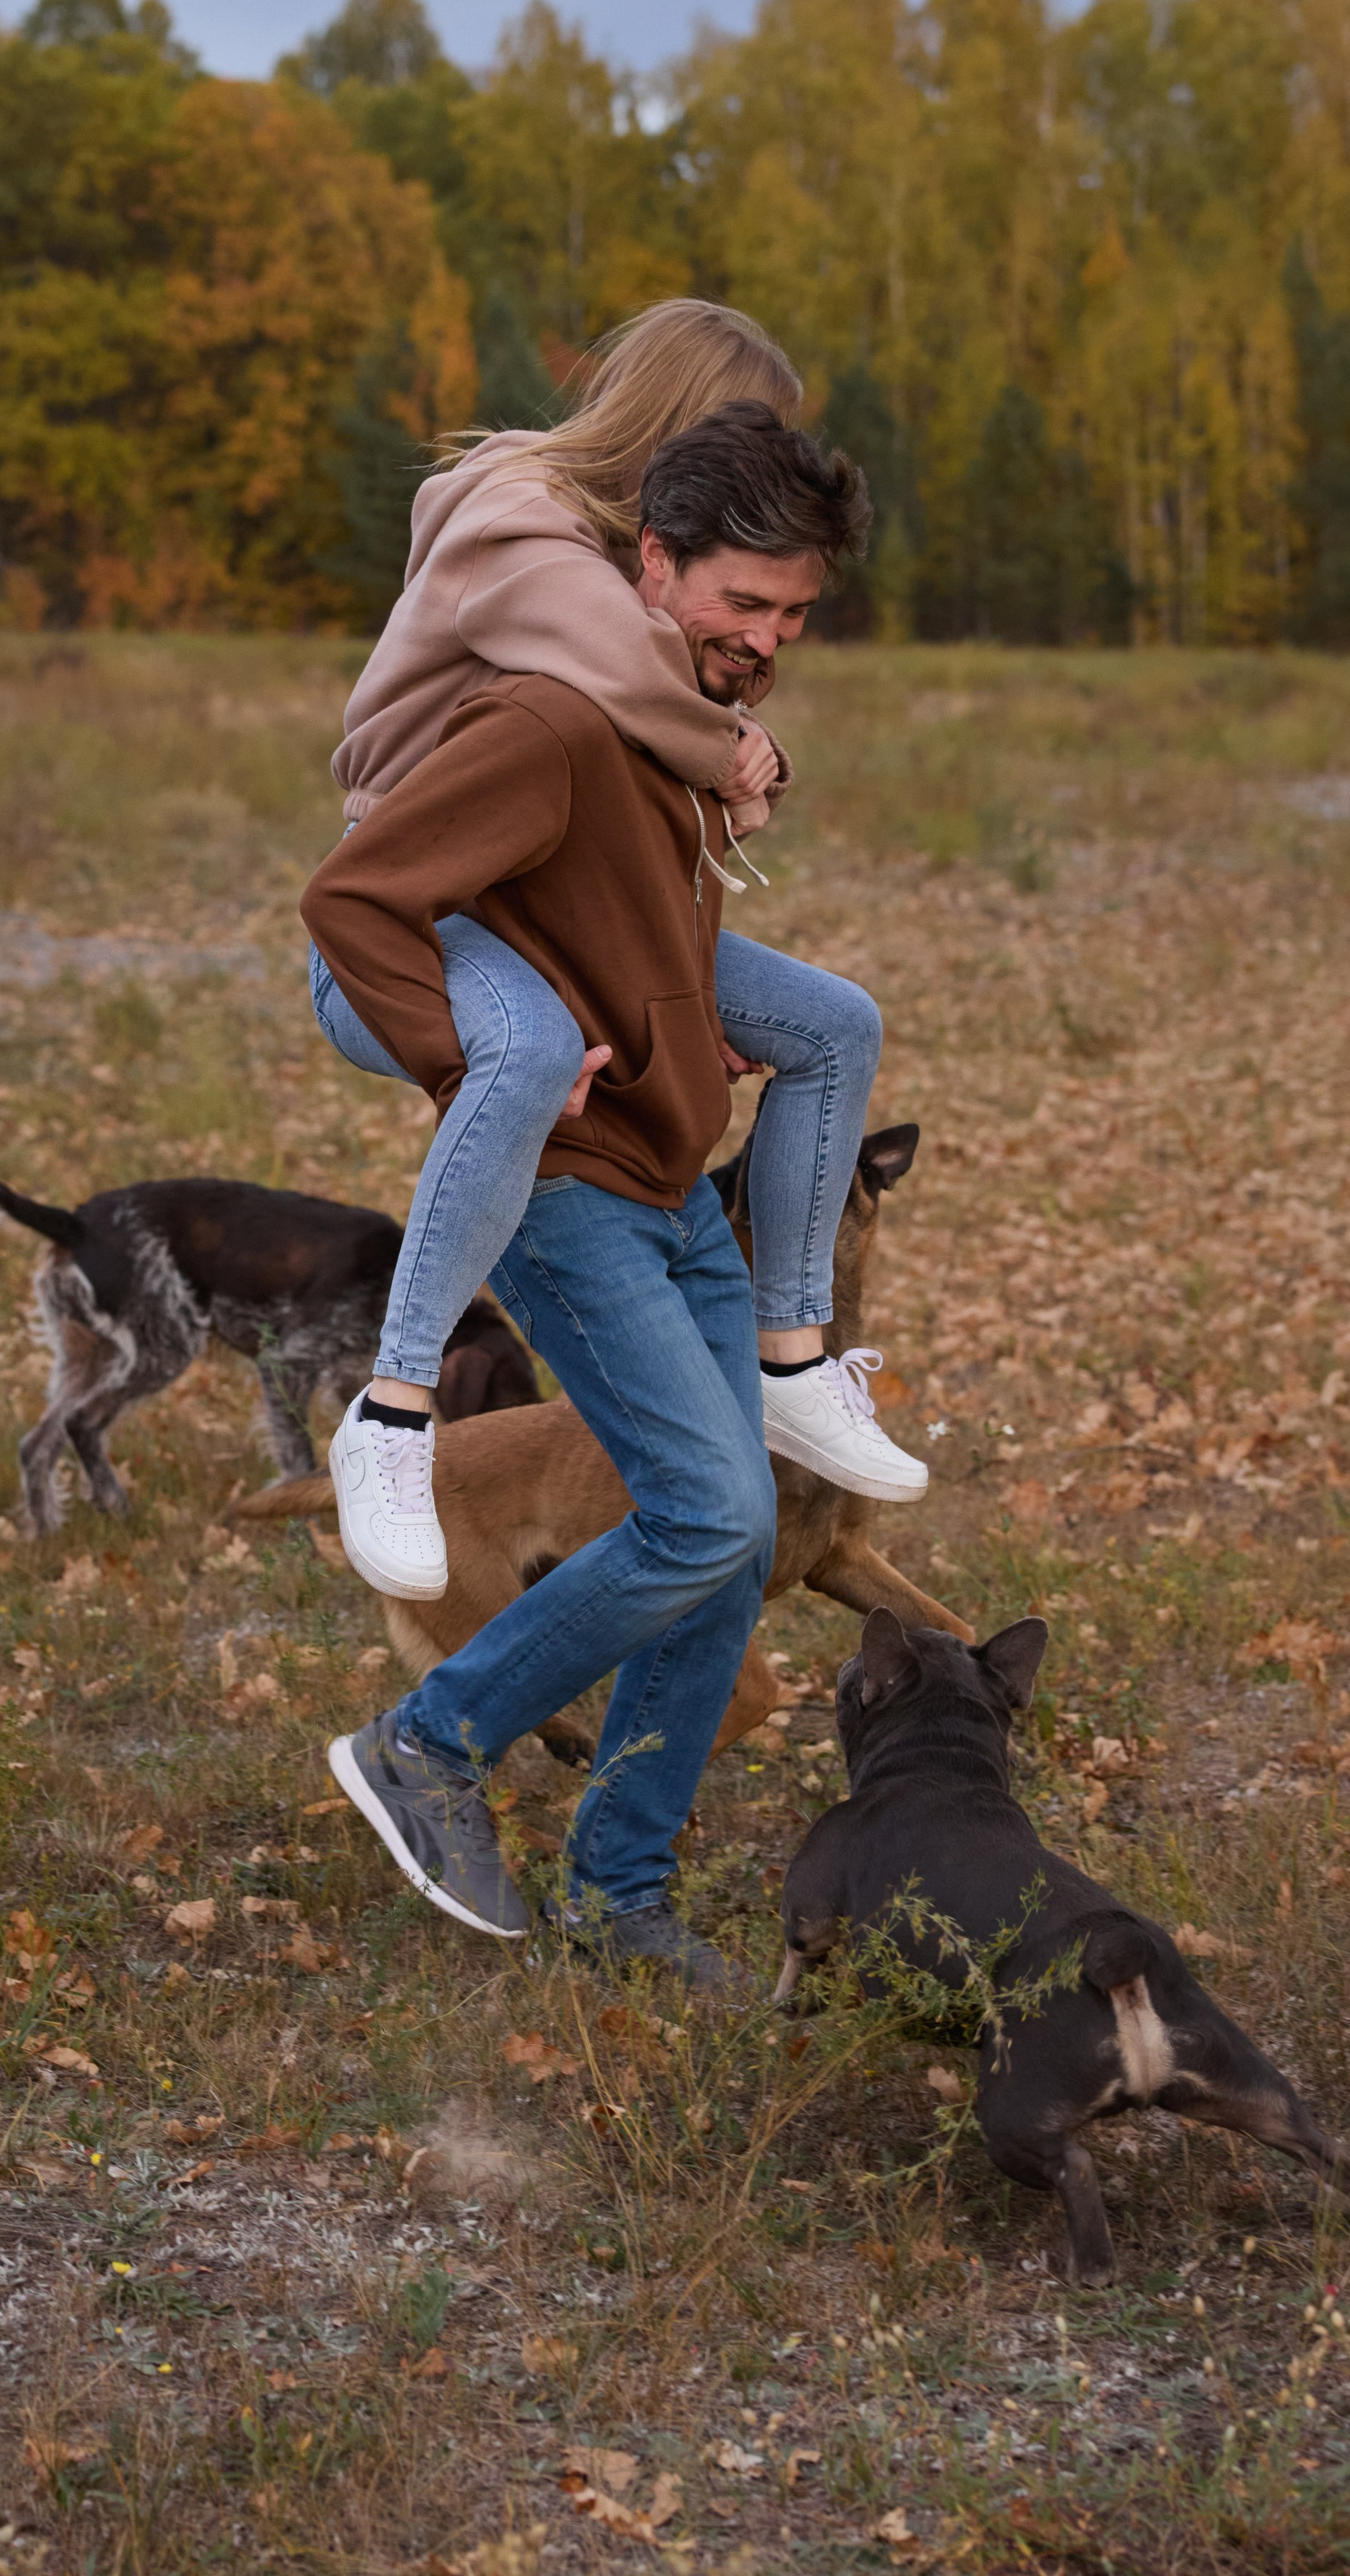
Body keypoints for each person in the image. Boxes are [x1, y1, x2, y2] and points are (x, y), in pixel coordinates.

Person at [306, 405, 896, 1990]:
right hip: (570, 1197)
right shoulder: (550, 721)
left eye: (794, 615)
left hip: (673, 1183)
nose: (765, 639)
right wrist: (470, 1060)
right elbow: (355, 898)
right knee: (707, 1513)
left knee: (728, 1535)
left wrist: (685, 1025)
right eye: (740, 602)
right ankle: (428, 1743)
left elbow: (639, 939)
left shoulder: (673, 732)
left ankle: (618, 1889)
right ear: (650, 561)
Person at [307, 302, 924, 1602]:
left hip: (560, 907)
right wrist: (741, 752)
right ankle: (394, 1411)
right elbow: (634, 685)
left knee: (833, 1024)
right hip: (434, 911)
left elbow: (667, 751)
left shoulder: (637, 560)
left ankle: (795, 1357)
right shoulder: (522, 526)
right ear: (681, 424)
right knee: (531, 1047)